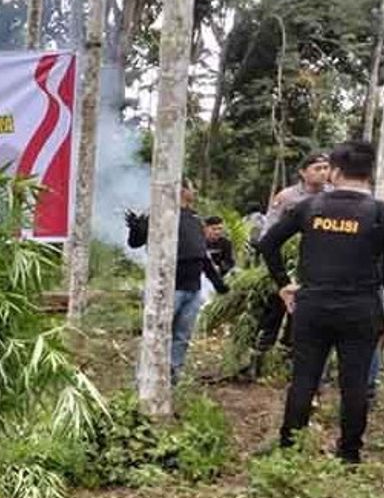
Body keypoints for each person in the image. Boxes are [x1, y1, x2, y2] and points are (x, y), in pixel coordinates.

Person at [257, 141, 384, 465]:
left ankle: (289, 446)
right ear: (369, 174)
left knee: (304, 377)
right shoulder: (378, 212)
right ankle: (350, 453)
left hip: (312, 305)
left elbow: (268, 243)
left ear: (336, 172)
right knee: (354, 382)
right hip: (361, 307)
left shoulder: (310, 207)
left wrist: (284, 285)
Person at [126, 181, 229, 384]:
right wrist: (136, 228)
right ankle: (144, 378)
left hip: (192, 290)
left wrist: (217, 282)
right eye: (192, 187)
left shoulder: (195, 219)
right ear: (181, 190)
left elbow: (202, 256)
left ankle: (172, 375)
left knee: (182, 336)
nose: (195, 191)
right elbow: (135, 243)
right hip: (168, 288)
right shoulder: (161, 213)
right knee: (156, 333)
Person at [244, 153, 331, 379]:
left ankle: (292, 362)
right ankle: (257, 361)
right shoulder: (287, 197)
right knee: (273, 313)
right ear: (303, 172)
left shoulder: (333, 196)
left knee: (302, 320)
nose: (323, 172)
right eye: (317, 168)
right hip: (282, 265)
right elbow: (269, 234)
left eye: (326, 168)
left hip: (315, 269)